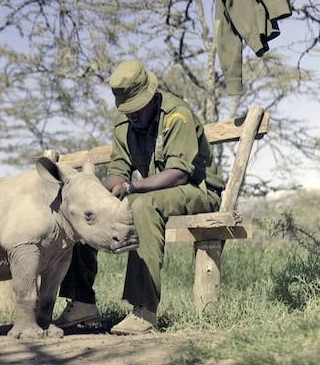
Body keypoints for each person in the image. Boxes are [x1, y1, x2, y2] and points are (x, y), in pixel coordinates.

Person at [54, 59, 225, 335]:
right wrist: (95, 191)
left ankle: (144, 311)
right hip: (153, 193)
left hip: (198, 191)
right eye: (127, 109)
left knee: (142, 204)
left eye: (136, 108)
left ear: (151, 97)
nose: (132, 115)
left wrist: (133, 188)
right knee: (86, 206)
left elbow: (179, 173)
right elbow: (118, 172)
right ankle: (82, 302)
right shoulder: (125, 125)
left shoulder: (176, 115)